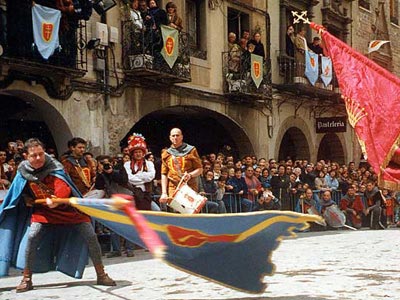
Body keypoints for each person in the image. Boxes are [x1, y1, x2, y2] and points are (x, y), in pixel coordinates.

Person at [0, 138, 115, 293]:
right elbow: (19, 192)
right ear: (26, 156)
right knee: (32, 236)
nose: (39, 158)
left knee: (90, 236)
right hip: (44, 212)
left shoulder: (55, 167)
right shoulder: (22, 172)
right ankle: (27, 279)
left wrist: (56, 200)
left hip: (68, 210)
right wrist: (27, 199)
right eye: (34, 155)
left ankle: (101, 274)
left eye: (41, 154)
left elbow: (64, 187)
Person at [159, 128, 203, 207]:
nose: (175, 137)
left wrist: (190, 175)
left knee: (190, 211)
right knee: (175, 213)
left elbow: (199, 169)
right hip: (173, 188)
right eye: (173, 136)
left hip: (189, 187)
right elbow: (164, 174)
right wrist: (164, 193)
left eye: (177, 135)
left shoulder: (191, 150)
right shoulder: (166, 154)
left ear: (181, 137)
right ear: (170, 138)